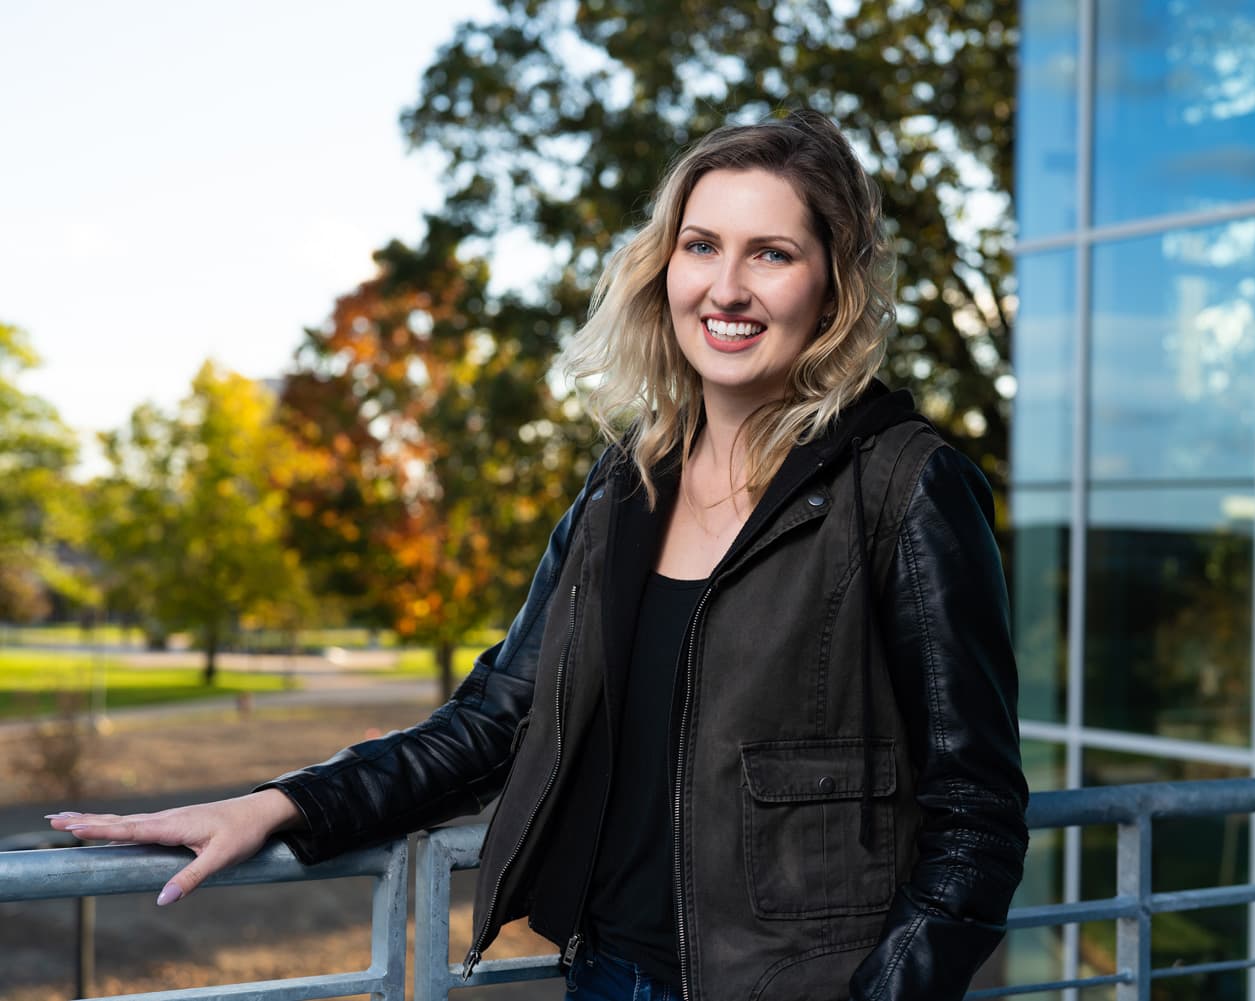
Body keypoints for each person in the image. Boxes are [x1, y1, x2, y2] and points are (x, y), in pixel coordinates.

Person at [48, 109, 1028, 1001]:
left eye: (770, 253)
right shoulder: (623, 489)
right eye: (701, 246)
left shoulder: (907, 486)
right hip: (606, 973)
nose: (726, 287)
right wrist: (282, 803)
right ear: (665, 267)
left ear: (834, 285)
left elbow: (975, 814)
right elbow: (492, 722)